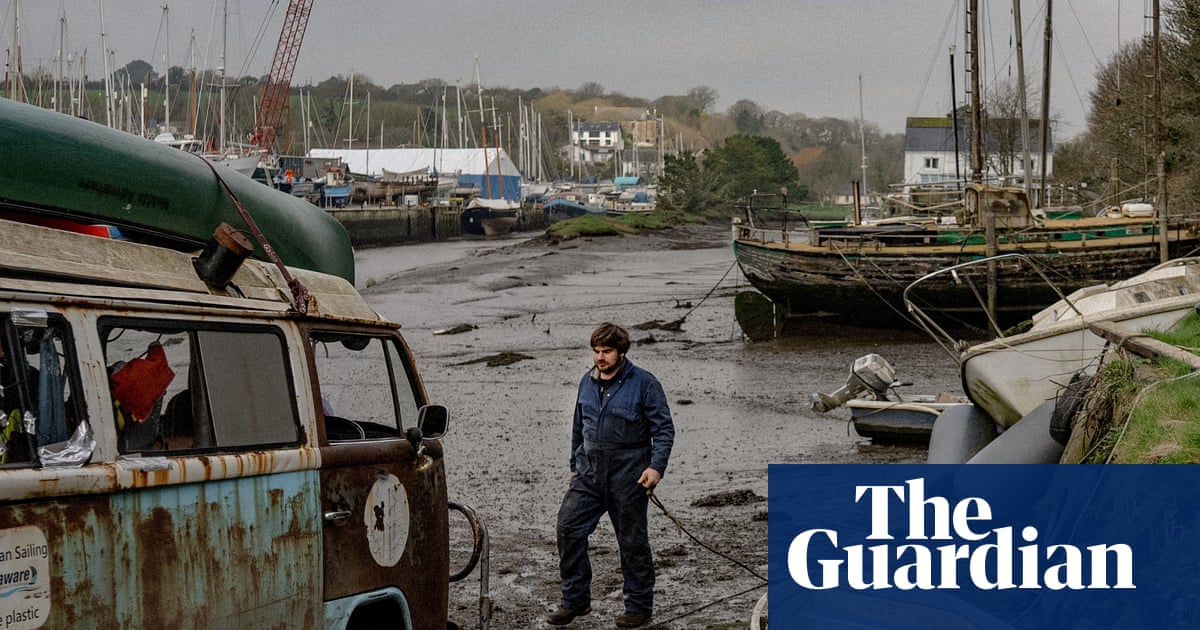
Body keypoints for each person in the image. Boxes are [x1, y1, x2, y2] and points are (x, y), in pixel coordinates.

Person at [548, 322, 675, 628]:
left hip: (629, 474)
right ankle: (575, 600)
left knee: (632, 542)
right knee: (568, 528)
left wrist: (655, 468)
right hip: (589, 473)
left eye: (606, 351)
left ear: (621, 352)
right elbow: (579, 427)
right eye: (596, 351)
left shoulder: (644, 383)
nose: (600, 357)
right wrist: (574, 465)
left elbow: (664, 430)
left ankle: (639, 607)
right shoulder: (587, 381)